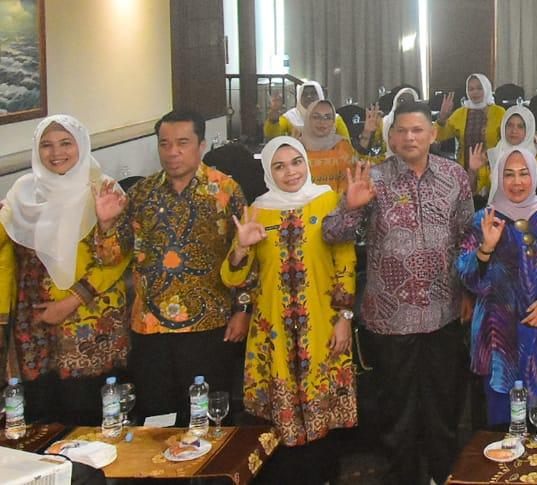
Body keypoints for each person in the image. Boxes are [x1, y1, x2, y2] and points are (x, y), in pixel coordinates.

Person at [322, 101, 472, 485]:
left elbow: (467, 239)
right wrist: (352, 208)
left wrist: (470, 292)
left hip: (445, 312)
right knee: (396, 415)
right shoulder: (373, 177)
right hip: (390, 318)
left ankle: (444, 476)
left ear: (433, 134)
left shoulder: (454, 176)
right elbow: (331, 234)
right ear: (390, 136)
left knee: (443, 408)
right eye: (402, 131)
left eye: (418, 130)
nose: (410, 137)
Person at [98, 109, 248, 424]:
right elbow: (114, 256)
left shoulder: (226, 191)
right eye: (165, 144)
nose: (172, 152)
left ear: (202, 145)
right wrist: (107, 224)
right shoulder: (141, 193)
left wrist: (243, 310)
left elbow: (246, 254)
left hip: (209, 325)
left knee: (207, 418)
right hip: (150, 326)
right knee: (157, 417)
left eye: (182, 143)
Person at [222, 138, 356, 483]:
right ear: (268, 171)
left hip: (321, 326)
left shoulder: (326, 200)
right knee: (279, 421)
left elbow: (344, 260)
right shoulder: (258, 210)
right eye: (279, 166)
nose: (290, 172)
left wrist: (344, 318)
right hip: (273, 331)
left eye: (296, 162)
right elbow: (236, 276)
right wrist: (240, 248)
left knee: (321, 414)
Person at [0, 115, 129, 424]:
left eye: (65, 143)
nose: (56, 153)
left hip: (87, 325)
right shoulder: (23, 192)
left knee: (85, 420)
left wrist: (69, 302)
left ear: (80, 145)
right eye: (46, 145)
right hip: (33, 327)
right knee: (40, 419)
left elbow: (117, 260)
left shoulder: (104, 189)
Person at [458, 148, 537, 425]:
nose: (517, 182)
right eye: (509, 174)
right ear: (498, 178)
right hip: (498, 336)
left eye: (524, 174)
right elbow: (467, 278)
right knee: (501, 423)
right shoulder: (483, 220)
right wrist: (485, 249)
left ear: (534, 175)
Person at [436, 74, 507, 171]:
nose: (475, 92)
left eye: (479, 88)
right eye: (471, 89)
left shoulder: (499, 112)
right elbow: (438, 136)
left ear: (487, 88)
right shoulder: (460, 113)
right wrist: (442, 118)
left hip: (493, 170)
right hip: (465, 169)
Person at [468, 105, 537, 201]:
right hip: (496, 212)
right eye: (510, 125)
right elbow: (471, 190)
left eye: (520, 126)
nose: (514, 130)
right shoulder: (492, 156)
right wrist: (473, 171)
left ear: (529, 130)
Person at [297, 99, 357, 195]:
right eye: (316, 117)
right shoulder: (296, 148)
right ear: (308, 119)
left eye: (328, 117)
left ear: (333, 121)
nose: (322, 122)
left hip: (337, 206)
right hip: (303, 206)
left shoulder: (342, 145)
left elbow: (349, 181)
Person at [266, 81, 351, 141]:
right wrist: (273, 121)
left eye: (313, 93)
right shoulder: (290, 117)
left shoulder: (335, 119)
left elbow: (347, 145)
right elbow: (272, 136)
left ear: (320, 96)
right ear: (299, 97)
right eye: (305, 94)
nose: (309, 96)